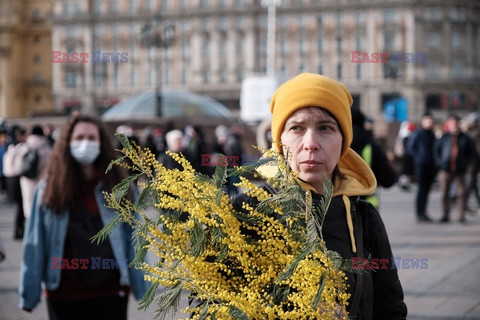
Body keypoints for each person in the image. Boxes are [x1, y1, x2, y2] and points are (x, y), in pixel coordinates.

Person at [234, 73, 407, 319]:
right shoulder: (247, 211)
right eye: (296, 128)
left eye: (325, 128)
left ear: (343, 141)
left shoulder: (365, 220)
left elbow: (390, 308)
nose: (311, 143)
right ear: (279, 141)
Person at [19, 115, 148, 320]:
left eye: (91, 137)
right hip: (64, 293)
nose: (85, 143)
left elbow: (136, 238)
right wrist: (29, 292)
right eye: (79, 137)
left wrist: (140, 284)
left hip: (110, 291)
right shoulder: (48, 188)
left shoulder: (119, 186)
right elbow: (35, 242)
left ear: (101, 142)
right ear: (67, 142)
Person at [351, 107, 397, 208]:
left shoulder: (336, 145)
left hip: (338, 208)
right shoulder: (371, 145)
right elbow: (388, 180)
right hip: (368, 207)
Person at [434, 114, 475, 223]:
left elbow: (471, 153)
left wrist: (466, 164)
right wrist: (440, 163)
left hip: (460, 170)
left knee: (461, 193)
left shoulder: (465, 138)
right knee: (444, 193)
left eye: (456, 123)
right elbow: (436, 151)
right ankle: (445, 215)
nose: (454, 125)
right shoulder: (444, 137)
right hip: (445, 169)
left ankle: (461, 215)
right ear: (449, 125)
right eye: (452, 123)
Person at [406, 113, 438, 222]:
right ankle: (420, 213)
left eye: (431, 120)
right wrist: (419, 158)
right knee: (421, 190)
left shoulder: (432, 135)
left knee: (427, 190)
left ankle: (424, 212)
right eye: (427, 120)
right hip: (421, 166)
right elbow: (410, 149)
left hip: (431, 166)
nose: (429, 122)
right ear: (423, 121)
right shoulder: (417, 134)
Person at [18, 125, 52, 219]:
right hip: (43, 179)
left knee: (28, 203)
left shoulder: (26, 145)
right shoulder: (47, 146)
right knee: (40, 203)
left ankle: (29, 223)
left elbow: (18, 165)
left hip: (27, 180)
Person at [3, 126, 27, 239]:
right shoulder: (21, 148)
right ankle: (19, 231)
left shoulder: (11, 147)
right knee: (21, 206)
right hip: (17, 178)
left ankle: (19, 230)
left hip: (10, 179)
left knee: (20, 206)